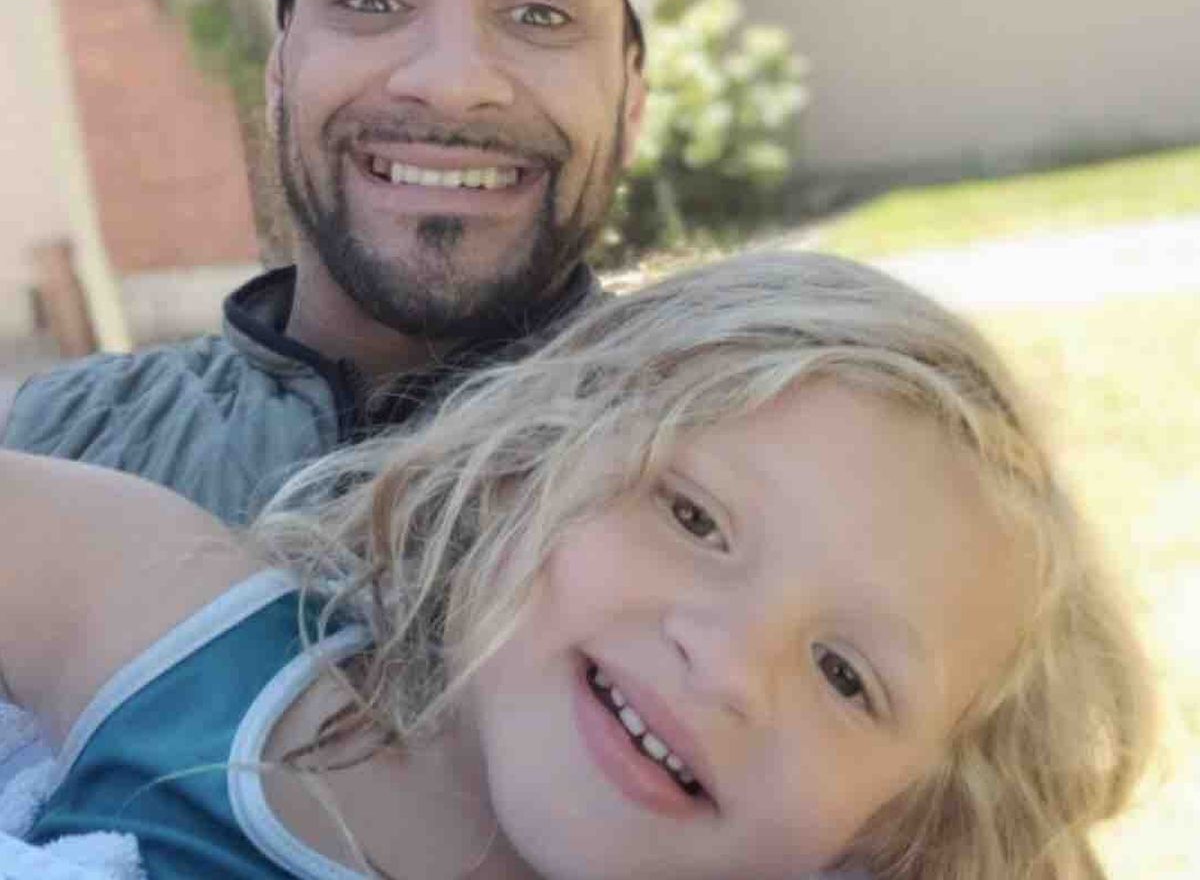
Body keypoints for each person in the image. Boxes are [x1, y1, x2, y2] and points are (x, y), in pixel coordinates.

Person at [0, 254, 1156, 879]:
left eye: (846, 675)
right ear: (522, 470)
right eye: (694, 519)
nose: (729, 665)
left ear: (894, 830)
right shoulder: (192, 642)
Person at [0, 0, 649, 525]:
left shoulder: (694, 466)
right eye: (369, 1)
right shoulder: (45, 445)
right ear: (278, 80)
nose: (451, 84)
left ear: (631, 112)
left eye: (540, 15)